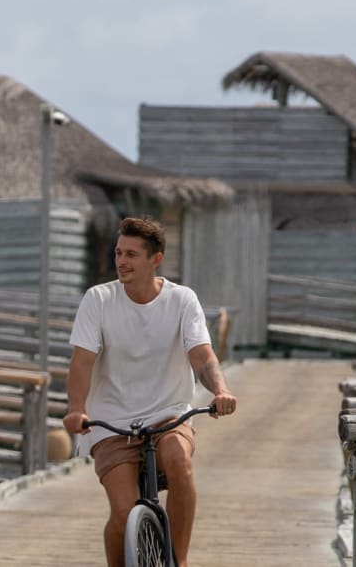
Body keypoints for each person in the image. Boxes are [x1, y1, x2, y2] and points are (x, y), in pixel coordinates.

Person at [63, 215, 237, 567]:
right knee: (124, 512)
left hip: (168, 414)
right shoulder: (98, 299)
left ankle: (179, 560)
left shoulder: (182, 300)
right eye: (118, 253)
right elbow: (81, 363)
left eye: (131, 254)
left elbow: (202, 355)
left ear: (155, 259)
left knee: (179, 462)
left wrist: (221, 390)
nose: (121, 261)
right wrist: (77, 408)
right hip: (111, 421)